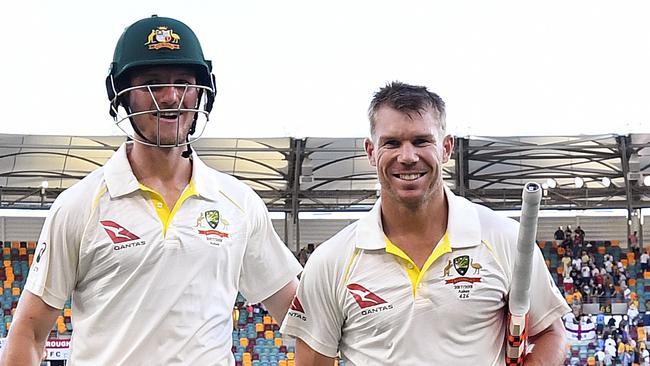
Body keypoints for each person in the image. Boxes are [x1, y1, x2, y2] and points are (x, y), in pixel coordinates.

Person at [1, 15, 302, 366]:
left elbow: (300, 317)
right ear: (121, 95)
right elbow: (29, 333)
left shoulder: (238, 203)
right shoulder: (80, 206)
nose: (171, 97)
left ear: (202, 91)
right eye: (152, 83)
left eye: (182, 82)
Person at [280, 82, 570, 365]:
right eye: (392, 143)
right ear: (371, 151)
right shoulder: (332, 260)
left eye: (421, 141)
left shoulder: (504, 237)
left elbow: (550, 334)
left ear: (446, 148)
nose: (407, 157)